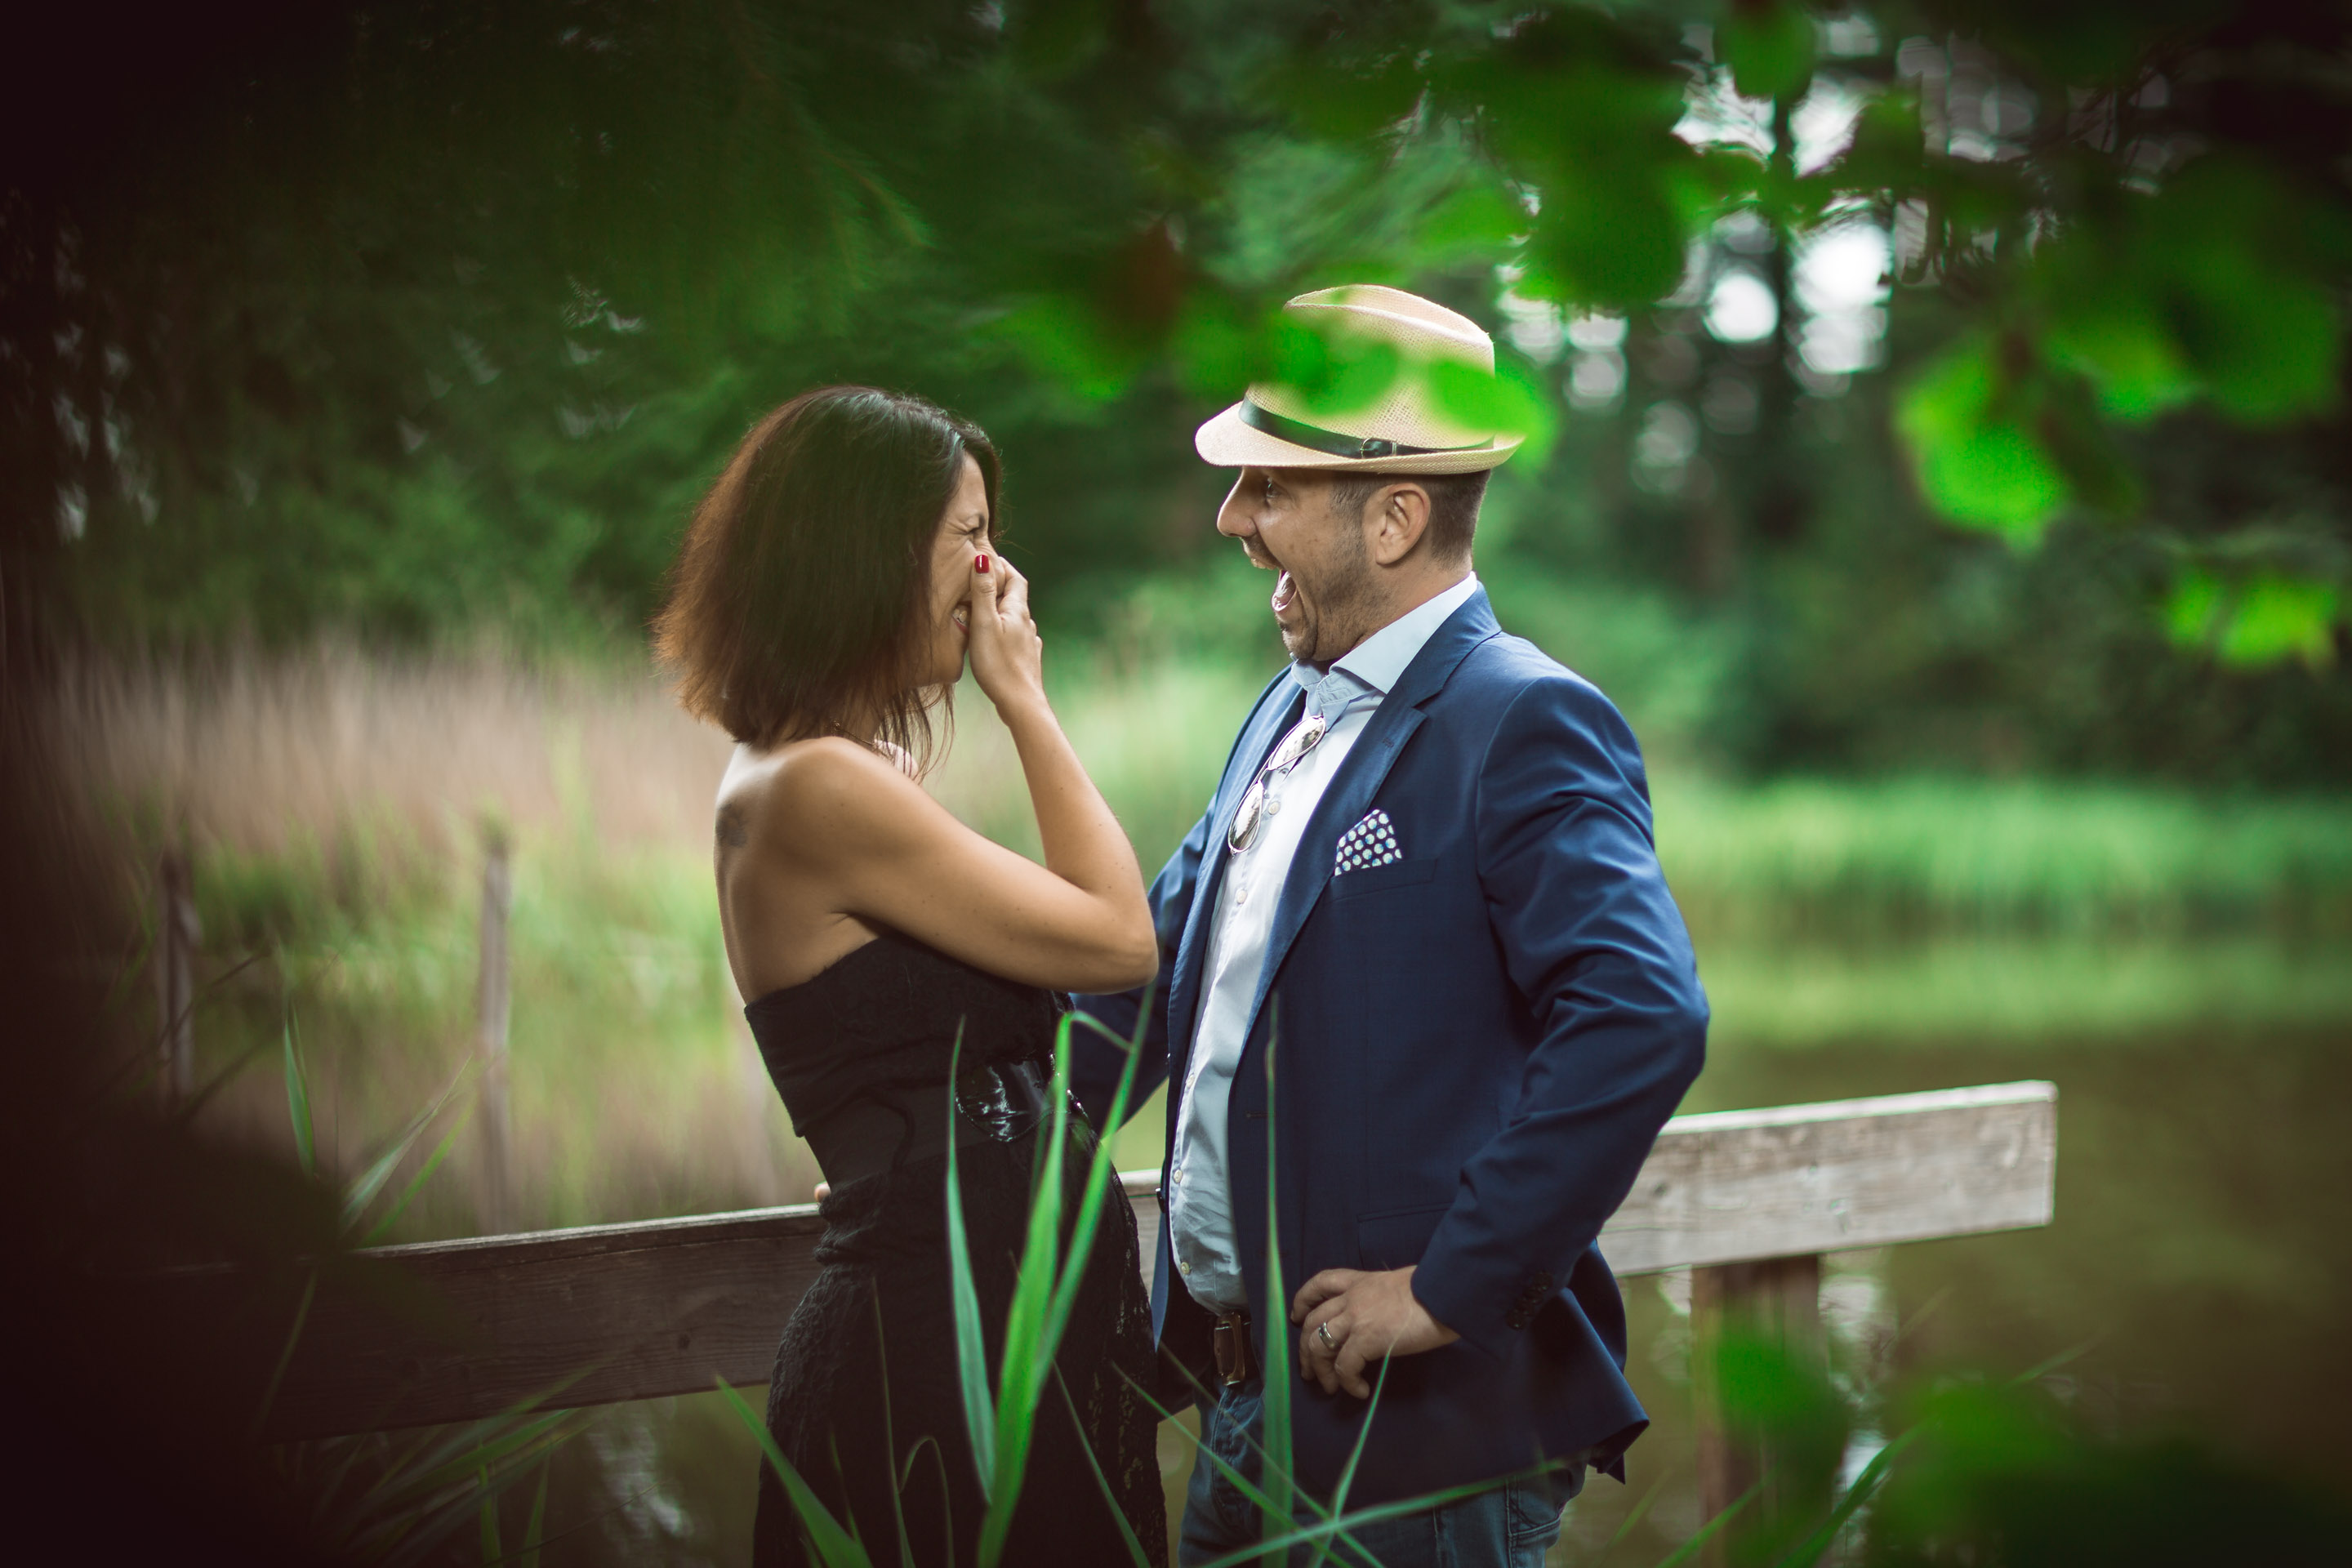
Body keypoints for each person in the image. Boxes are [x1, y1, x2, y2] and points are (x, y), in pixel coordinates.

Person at [1073, 286, 1709, 1568]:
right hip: (1243, 1408)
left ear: (1398, 516)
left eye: (1268, 489)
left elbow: (1643, 1017)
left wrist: (1443, 1290)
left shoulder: (1523, 721)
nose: (1232, 522)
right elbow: (1145, 979)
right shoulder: (1284, 712)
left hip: (1417, 1449)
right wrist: (961, 1144)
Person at [655, 385, 1168, 1566]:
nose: (994, 570)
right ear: (868, 555)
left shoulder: (829, 772)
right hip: (935, 1351)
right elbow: (1116, 940)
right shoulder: (812, 787)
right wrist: (1025, 701)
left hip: (994, 1322)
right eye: (968, 535)